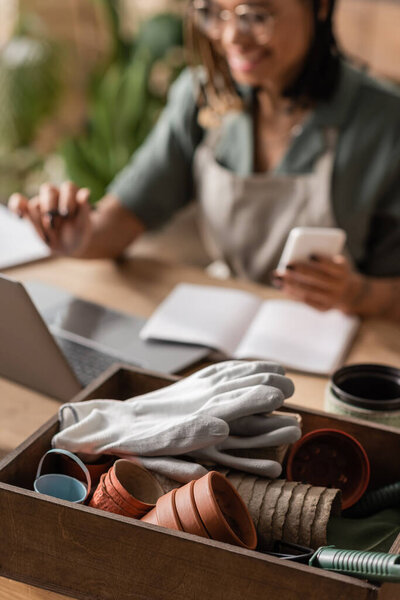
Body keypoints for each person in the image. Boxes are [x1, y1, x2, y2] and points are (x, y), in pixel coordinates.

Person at [9, 0, 400, 322]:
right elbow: (122, 219)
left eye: (256, 15)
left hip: (347, 344)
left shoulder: (385, 121)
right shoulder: (203, 94)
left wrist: (354, 292)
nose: (230, 37)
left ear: (319, 7)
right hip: (227, 323)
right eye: (213, 12)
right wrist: (80, 235)